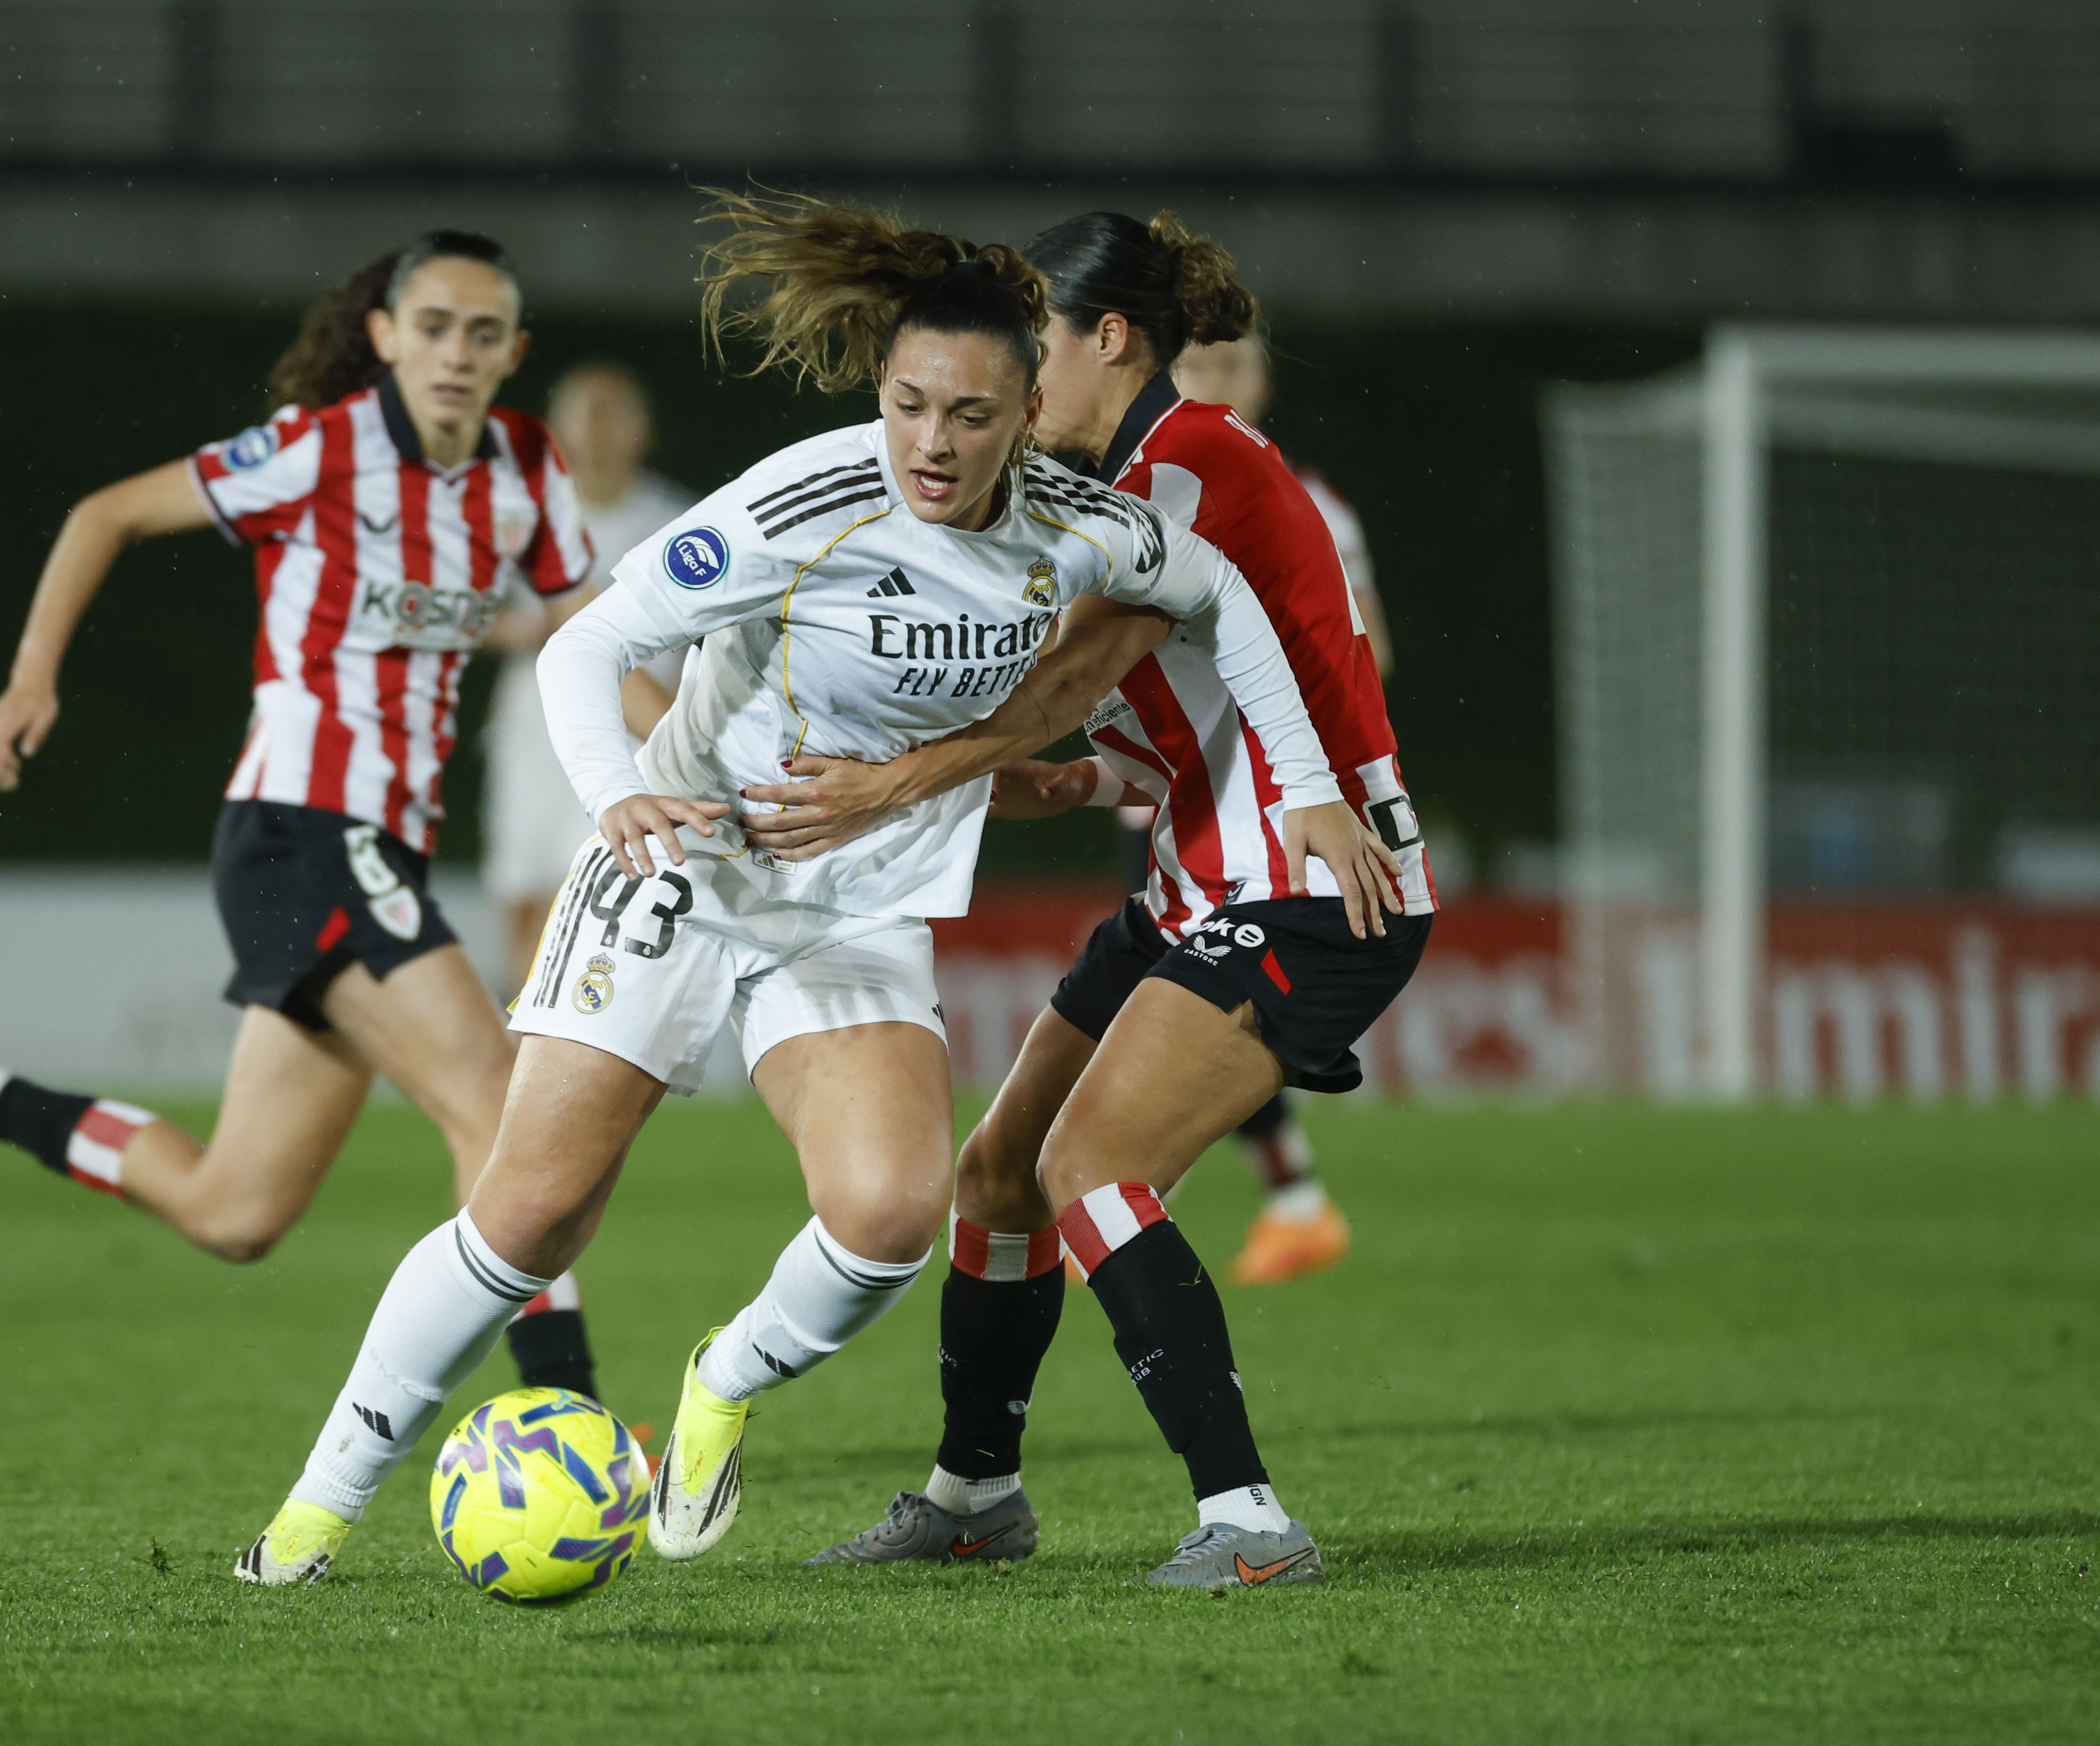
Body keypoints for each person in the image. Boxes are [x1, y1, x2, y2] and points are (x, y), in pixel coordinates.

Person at [231, 191, 1392, 1587]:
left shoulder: (1087, 525)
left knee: (892, 1211)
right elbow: (580, 649)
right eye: (906, 405)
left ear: (1028, 409)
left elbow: (1231, 604)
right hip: (689, 867)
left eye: (969, 414)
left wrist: (1312, 782)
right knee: (528, 1209)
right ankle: (312, 1509)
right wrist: (619, 796)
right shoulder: (806, 503)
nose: (930, 443)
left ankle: (716, 1380)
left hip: (849, 911)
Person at [746, 211, 1433, 1588]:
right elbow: (1137, 723)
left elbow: (1065, 675)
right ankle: (973, 1492)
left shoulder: (1190, 465)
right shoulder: (1120, 487)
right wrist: (1049, 779)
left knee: (1088, 1170)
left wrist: (896, 778)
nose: (1011, 376)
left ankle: (1246, 1523)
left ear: (1106, 338)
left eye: (1032, 347)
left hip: (1311, 889)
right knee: (996, 1173)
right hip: (1197, 885)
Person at [0, 231, 615, 1405]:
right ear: (384, 336)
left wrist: (690, 759)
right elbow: (103, 513)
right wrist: (31, 676)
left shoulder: (524, 465)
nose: (454, 353)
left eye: (479, 333)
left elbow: (590, 631)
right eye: (431, 326)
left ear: (513, 350)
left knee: (235, 1210)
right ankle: (567, 1417)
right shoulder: (318, 452)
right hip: (300, 828)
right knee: (500, 1110)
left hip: (373, 848)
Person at [1165, 329, 1397, 1278]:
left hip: (1264, 808)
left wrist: (1268, 735)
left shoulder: (1311, 509)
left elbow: (1366, 653)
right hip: (1171, 802)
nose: (1217, 383)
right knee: (1181, 1001)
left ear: (1262, 379)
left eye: (1235, 366)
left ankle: (1129, 1186)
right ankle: (1284, 1196)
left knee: (1207, 1002)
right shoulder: (1152, 497)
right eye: (1199, 366)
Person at [480, 363, 691, 984]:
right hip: (533, 731)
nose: (596, 429)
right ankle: (519, 1057)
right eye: (583, 411)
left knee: (600, 894)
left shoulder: (676, 519)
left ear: (644, 430)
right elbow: (467, 615)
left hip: (635, 733)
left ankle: (576, 1049)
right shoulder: (519, 519)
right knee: (523, 899)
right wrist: (530, 629)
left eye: (613, 412)